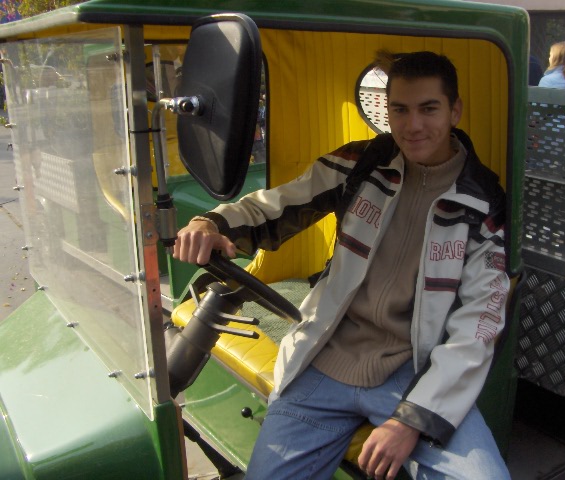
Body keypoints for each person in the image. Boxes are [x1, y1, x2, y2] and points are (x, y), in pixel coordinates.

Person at [174, 50, 510, 480]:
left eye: (429, 109)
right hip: (324, 358)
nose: (412, 126)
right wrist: (211, 223)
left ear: (454, 111)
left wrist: (410, 420)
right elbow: (278, 204)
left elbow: (479, 322)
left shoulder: (482, 202)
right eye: (400, 110)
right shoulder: (363, 164)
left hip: (412, 371)